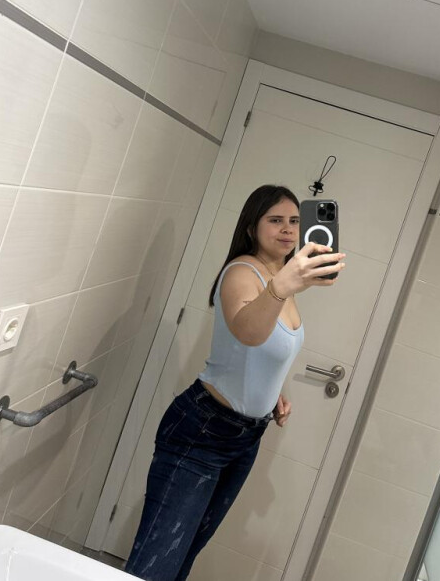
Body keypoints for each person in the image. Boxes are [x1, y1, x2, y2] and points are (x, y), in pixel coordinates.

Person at [125, 184, 346, 580]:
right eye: (275, 220)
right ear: (251, 227)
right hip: (202, 430)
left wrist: (272, 394)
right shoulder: (243, 272)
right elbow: (247, 332)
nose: (288, 229)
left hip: (246, 437)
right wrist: (281, 287)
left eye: (295, 221)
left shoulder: (280, 278)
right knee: (157, 562)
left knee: (185, 554)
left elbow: (259, 352)